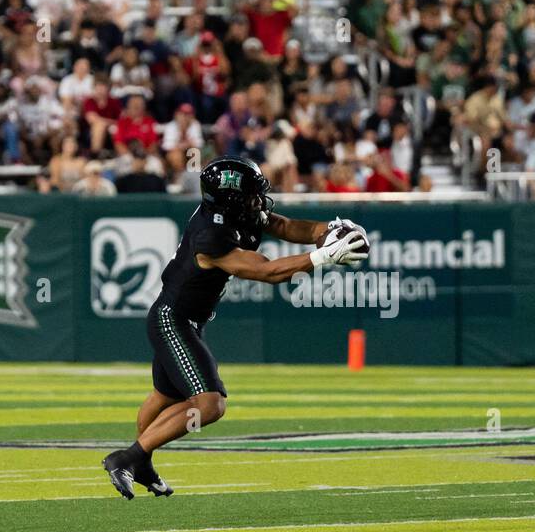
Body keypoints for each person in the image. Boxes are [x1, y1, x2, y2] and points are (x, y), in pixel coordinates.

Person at [101, 156, 369, 498]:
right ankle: (126, 459)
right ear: (231, 200)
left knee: (165, 397)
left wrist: (325, 232)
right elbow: (266, 271)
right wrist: (323, 257)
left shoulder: (236, 212)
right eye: (252, 195)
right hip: (174, 320)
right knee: (210, 404)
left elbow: (285, 226)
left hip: (184, 319)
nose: (259, 201)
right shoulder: (211, 235)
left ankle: (143, 462)